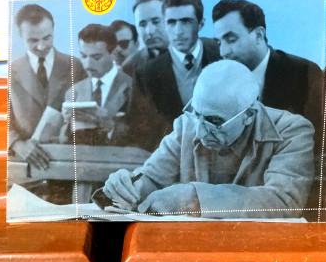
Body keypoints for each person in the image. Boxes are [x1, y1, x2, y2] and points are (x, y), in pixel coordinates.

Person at [102, 60, 315, 218]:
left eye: (214, 120)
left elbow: (284, 201)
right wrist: (129, 188)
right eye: (196, 113)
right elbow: (153, 178)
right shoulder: (187, 125)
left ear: (249, 115)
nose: (201, 132)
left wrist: (195, 198)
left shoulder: (291, 131)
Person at [126, 0, 220, 151]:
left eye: (186, 22)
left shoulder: (222, 53)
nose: (178, 31)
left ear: (200, 24)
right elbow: (138, 129)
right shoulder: (140, 71)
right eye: (142, 24)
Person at [210, 0, 324, 130]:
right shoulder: (219, 79)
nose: (223, 52)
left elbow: (318, 135)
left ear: (259, 35)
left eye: (231, 40)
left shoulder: (304, 73)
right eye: (219, 42)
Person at [8, 4, 86, 169]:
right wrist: (16, 144)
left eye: (47, 38)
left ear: (53, 30)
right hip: (24, 165)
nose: (41, 46)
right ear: (20, 35)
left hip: (67, 163)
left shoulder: (76, 66)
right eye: (33, 40)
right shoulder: (9, 72)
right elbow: (1, 120)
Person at [60, 24, 132, 146]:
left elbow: (145, 135)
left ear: (113, 53)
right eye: (83, 56)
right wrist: (67, 125)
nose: (88, 64)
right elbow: (63, 141)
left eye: (96, 57)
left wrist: (110, 126)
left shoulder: (133, 87)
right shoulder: (73, 92)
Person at [120, 0, 170, 77]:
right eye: (142, 25)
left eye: (156, 22)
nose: (149, 31)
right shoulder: (129, 67)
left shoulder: (192, 56)